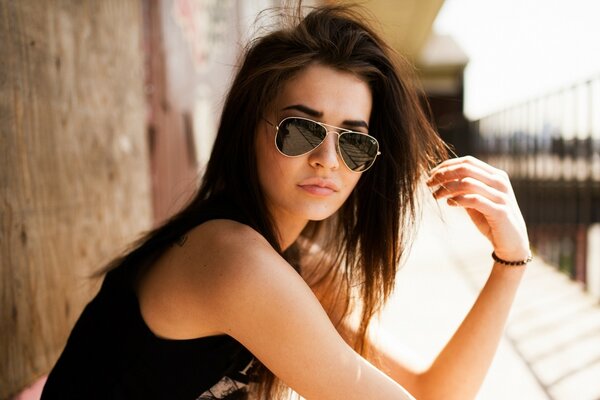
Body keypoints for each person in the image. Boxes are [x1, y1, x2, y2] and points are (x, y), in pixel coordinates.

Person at [42, 4, 531, 400]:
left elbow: (430, 392)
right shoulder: (235, 261)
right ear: (251, 128)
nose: (328, 159)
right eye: (301, 128)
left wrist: (510, 263)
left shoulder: (300, 268)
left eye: (353, 141)